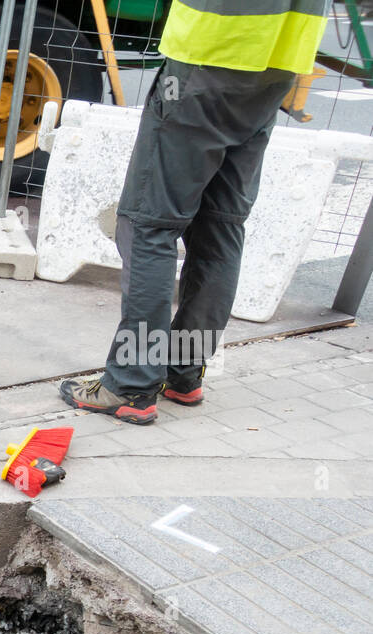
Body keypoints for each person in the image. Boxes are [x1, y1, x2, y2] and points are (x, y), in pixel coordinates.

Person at [59, 0, 326, 425]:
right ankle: (183, 374)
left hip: (206, 61)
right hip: (277, 66)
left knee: (149, 227)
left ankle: (130, 385)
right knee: (220, 227)